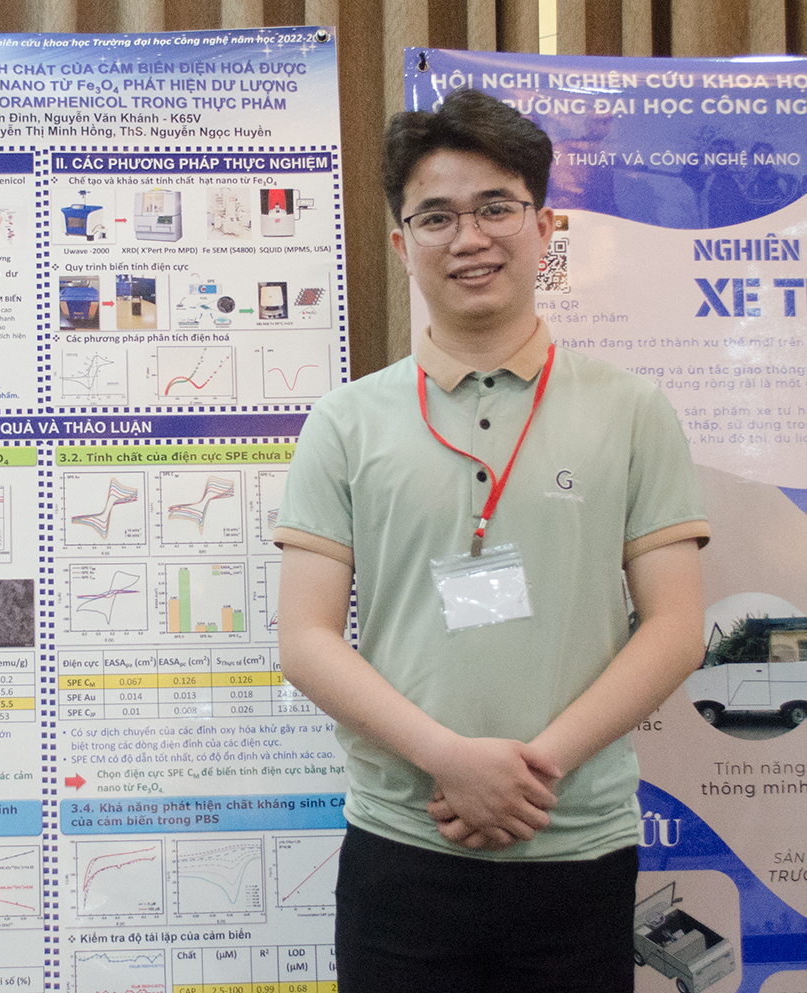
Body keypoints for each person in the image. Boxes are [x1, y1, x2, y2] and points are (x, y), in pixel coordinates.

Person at [274, 89, 708, 992]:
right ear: (403, 245)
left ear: (544, 226)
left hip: (576, 843)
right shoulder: (345, 422)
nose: (467, 237)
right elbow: (306, 639)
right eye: (435, 216)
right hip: (402, 842)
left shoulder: (633, 410)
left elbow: (675, 627)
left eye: (495, 208)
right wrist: (452, 760)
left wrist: (529, 772)